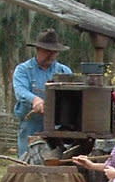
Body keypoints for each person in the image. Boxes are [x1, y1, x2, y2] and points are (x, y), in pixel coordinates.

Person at [12, 28, 72, 157]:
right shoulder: (23, 70)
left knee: (59, 158)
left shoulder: (64, 71)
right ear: (38, 50)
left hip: (58, 126)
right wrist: (35, 100)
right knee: (27, 158)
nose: (51, 55)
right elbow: (21, 91)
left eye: (54, 52)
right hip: (32, 124)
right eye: (47, 51)